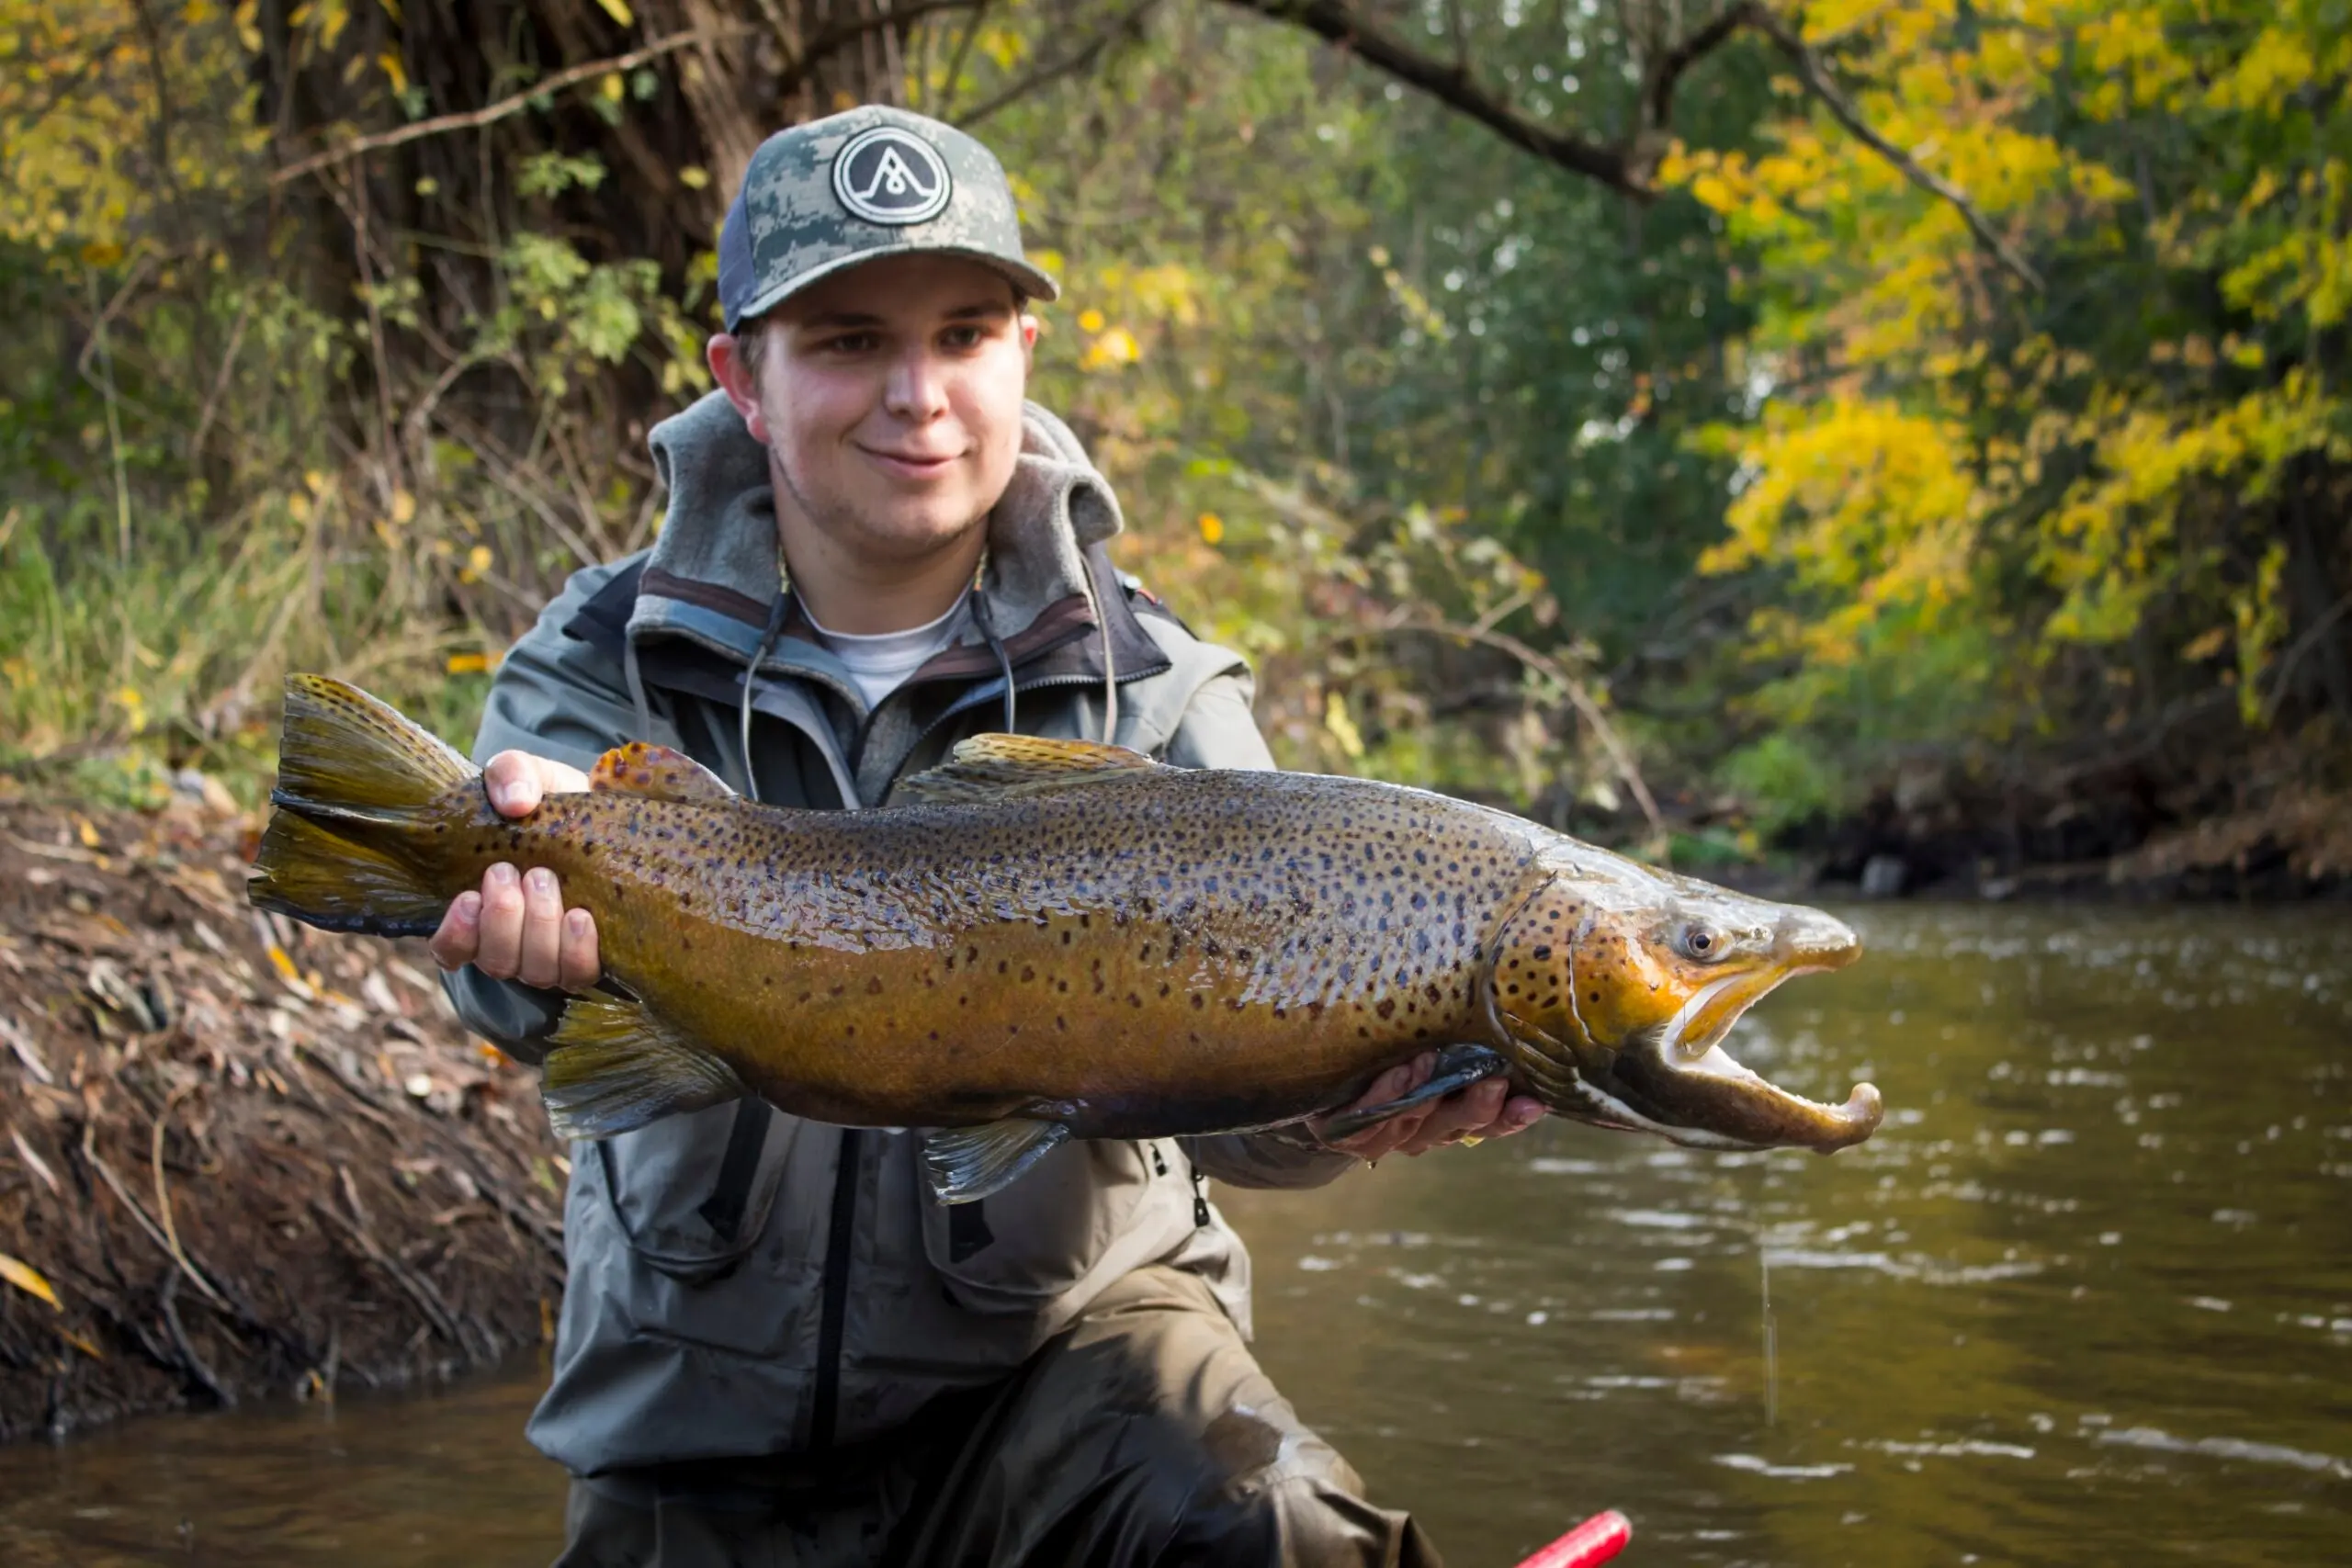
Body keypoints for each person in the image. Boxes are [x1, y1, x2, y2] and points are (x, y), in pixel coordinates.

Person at [431, 106, 1544, 1568]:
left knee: (1282, 1530)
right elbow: (510, 1001)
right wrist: (517, 966)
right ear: (743, 379)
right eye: (845, 342)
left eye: (964, 334)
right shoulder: (598, 657)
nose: (918, 395)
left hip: (1076, 1389)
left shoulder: (1158, 690)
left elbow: (1262, 1123)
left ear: (1024, 350)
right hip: (695, 1423)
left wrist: (1350, 1107)